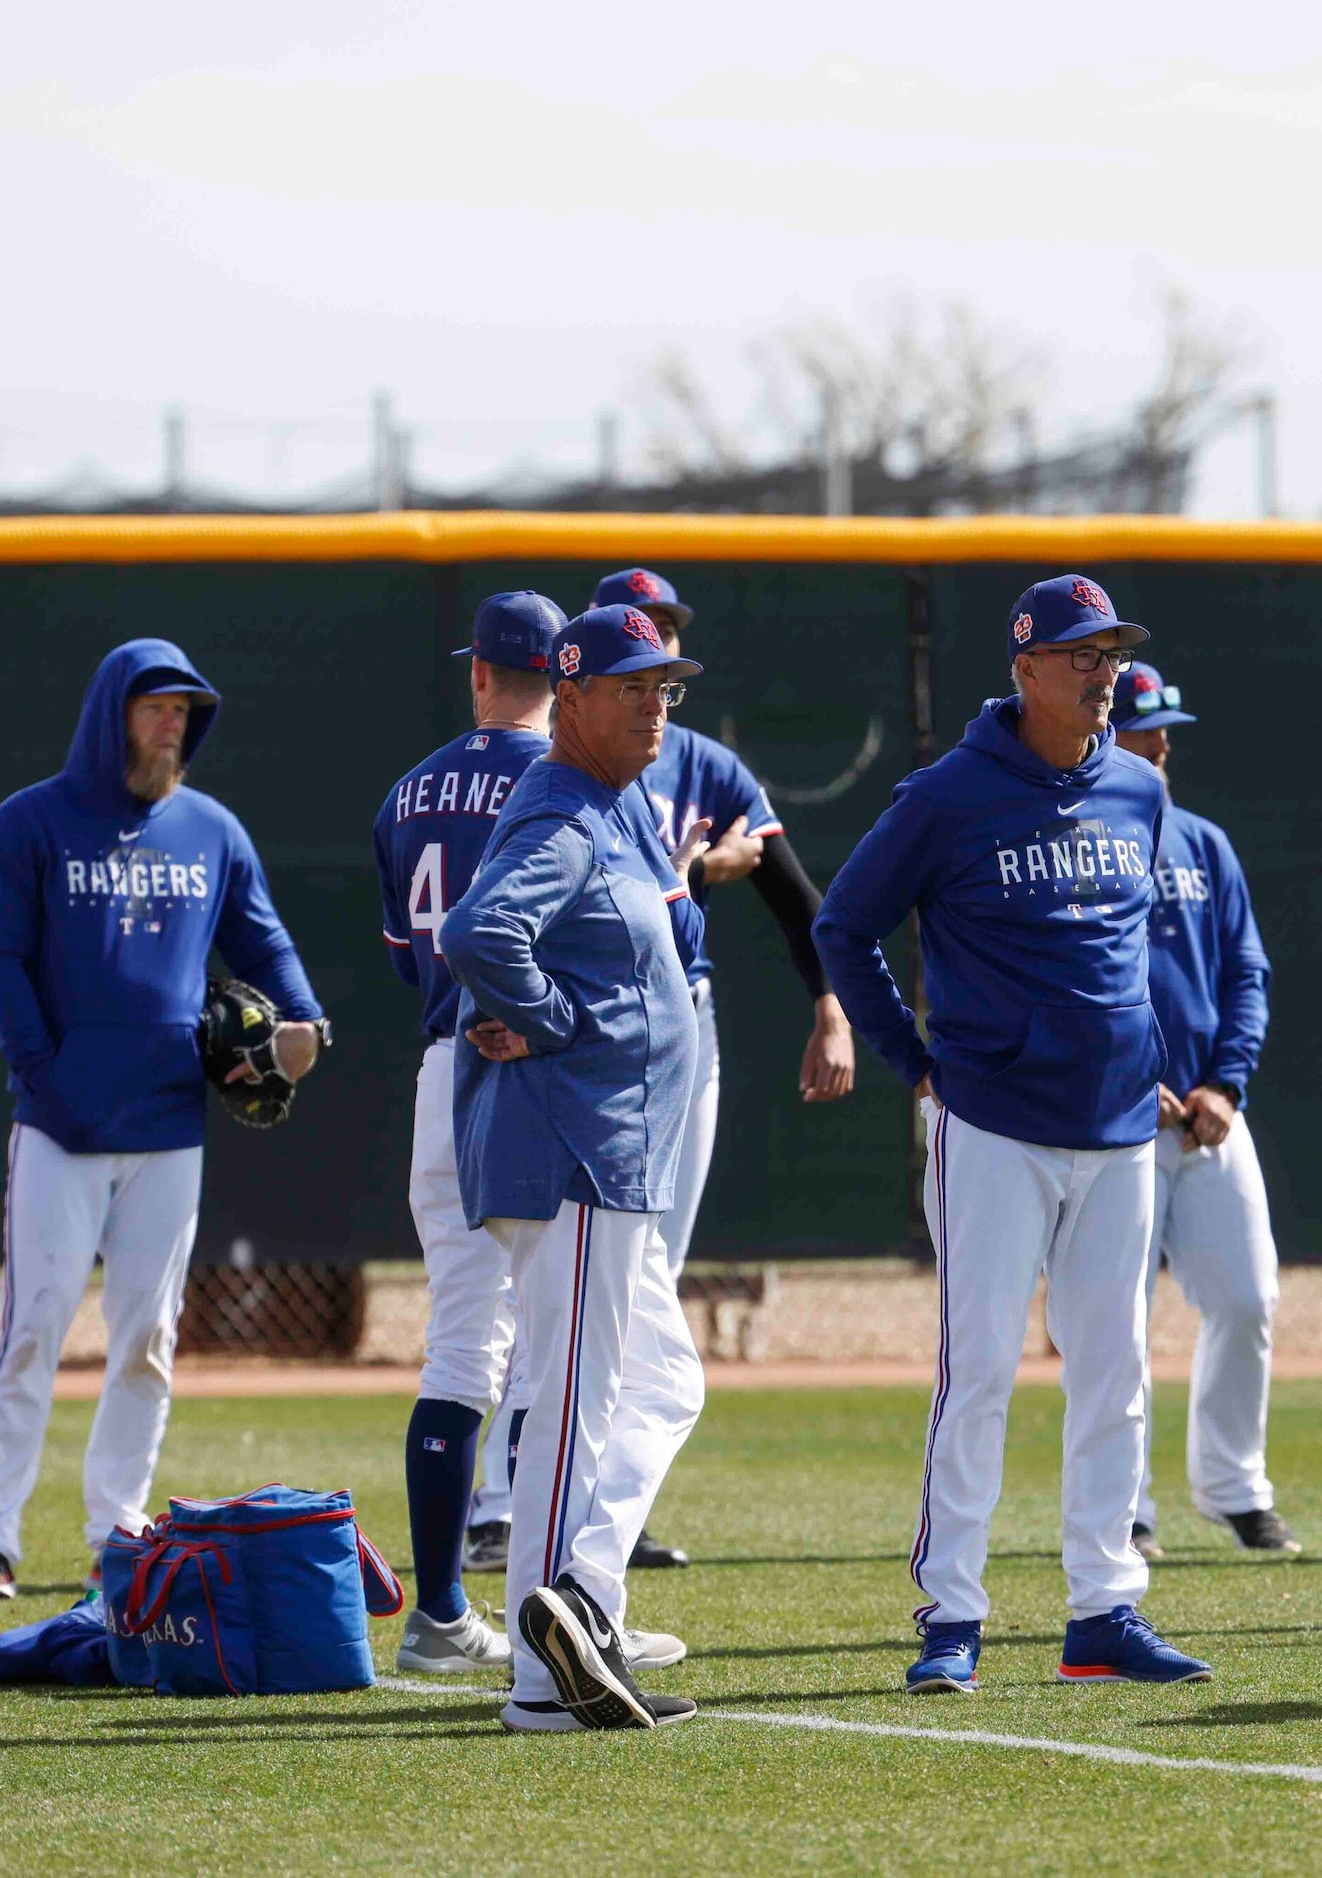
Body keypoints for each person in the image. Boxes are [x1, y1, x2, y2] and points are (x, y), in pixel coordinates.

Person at [814, 573, 1213, 1694]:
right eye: (1082, 654)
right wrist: (918, 1062)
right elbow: (845, 925)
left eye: (1112, 653)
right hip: (994, 1123)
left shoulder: (1140, 789)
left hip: (1121, 1124)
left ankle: (1104, 1611)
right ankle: (952, 1616)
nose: (1103, 672)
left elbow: (1133, 954)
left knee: (1116, 1369)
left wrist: (1159, 1063)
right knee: (979, 1367)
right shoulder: (949, 794)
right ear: (1026, 668)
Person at [0, 640, 326, 1597]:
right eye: (156, 706)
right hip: (60, 1125)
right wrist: (41, 1068)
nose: (173, 724)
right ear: (110, 709)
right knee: (31, 1329)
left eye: (186, 712)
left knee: (149, 1337)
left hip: (168, 1122)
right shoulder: (30, 822)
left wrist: (306, 1019)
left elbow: (264, 942)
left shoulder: (210, 830)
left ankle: (118, 1529)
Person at [439, 602, 705, 1734]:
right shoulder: (563, 807)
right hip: (574, 1152)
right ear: (573, 694)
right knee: (575, 1403)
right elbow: (478, 932)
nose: (655, 705)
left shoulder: (616, 806)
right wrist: (549, 1022)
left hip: (606, 1152)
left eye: (666, 687)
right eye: (633, 686)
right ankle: (547, 1677)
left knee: (662, 1382)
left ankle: (582, 1607)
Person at [582, 565, 859, 1574]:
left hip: (680, 1026)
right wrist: (701, 873)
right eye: (637, 626)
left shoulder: (705, 764)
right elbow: (597, 892)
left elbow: (797, 900)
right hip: (588, 1030)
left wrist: (830, 1007)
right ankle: (506, 1496)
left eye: (667, 629)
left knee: (651, 1260)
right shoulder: (567, 759)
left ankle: (608, 1502)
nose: (654, 642)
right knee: (582, 1271)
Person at [373, 592, 563, 1675]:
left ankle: (441, 1612)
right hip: (532, 1066)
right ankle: (563, 1605)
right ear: (562, 674)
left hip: (443, 1062)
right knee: (560, 1340)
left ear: (481, 673)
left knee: (462, 1342)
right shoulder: (568, 780)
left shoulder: (408, 789)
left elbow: (411, 954)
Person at [1108, 661, 1296, 1560]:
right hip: (1113, 1121)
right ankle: (1125, 1506)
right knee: (1117, 1317)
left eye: (1163, 729)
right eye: (1141, 728)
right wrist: (1120, 1075)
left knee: (1249, 1297)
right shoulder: (1078, 839)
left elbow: (1245, 976)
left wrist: (1227, 1083)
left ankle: (1232, 1489)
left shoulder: (1202, 844)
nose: (1159, 743)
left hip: (1210, 1118)